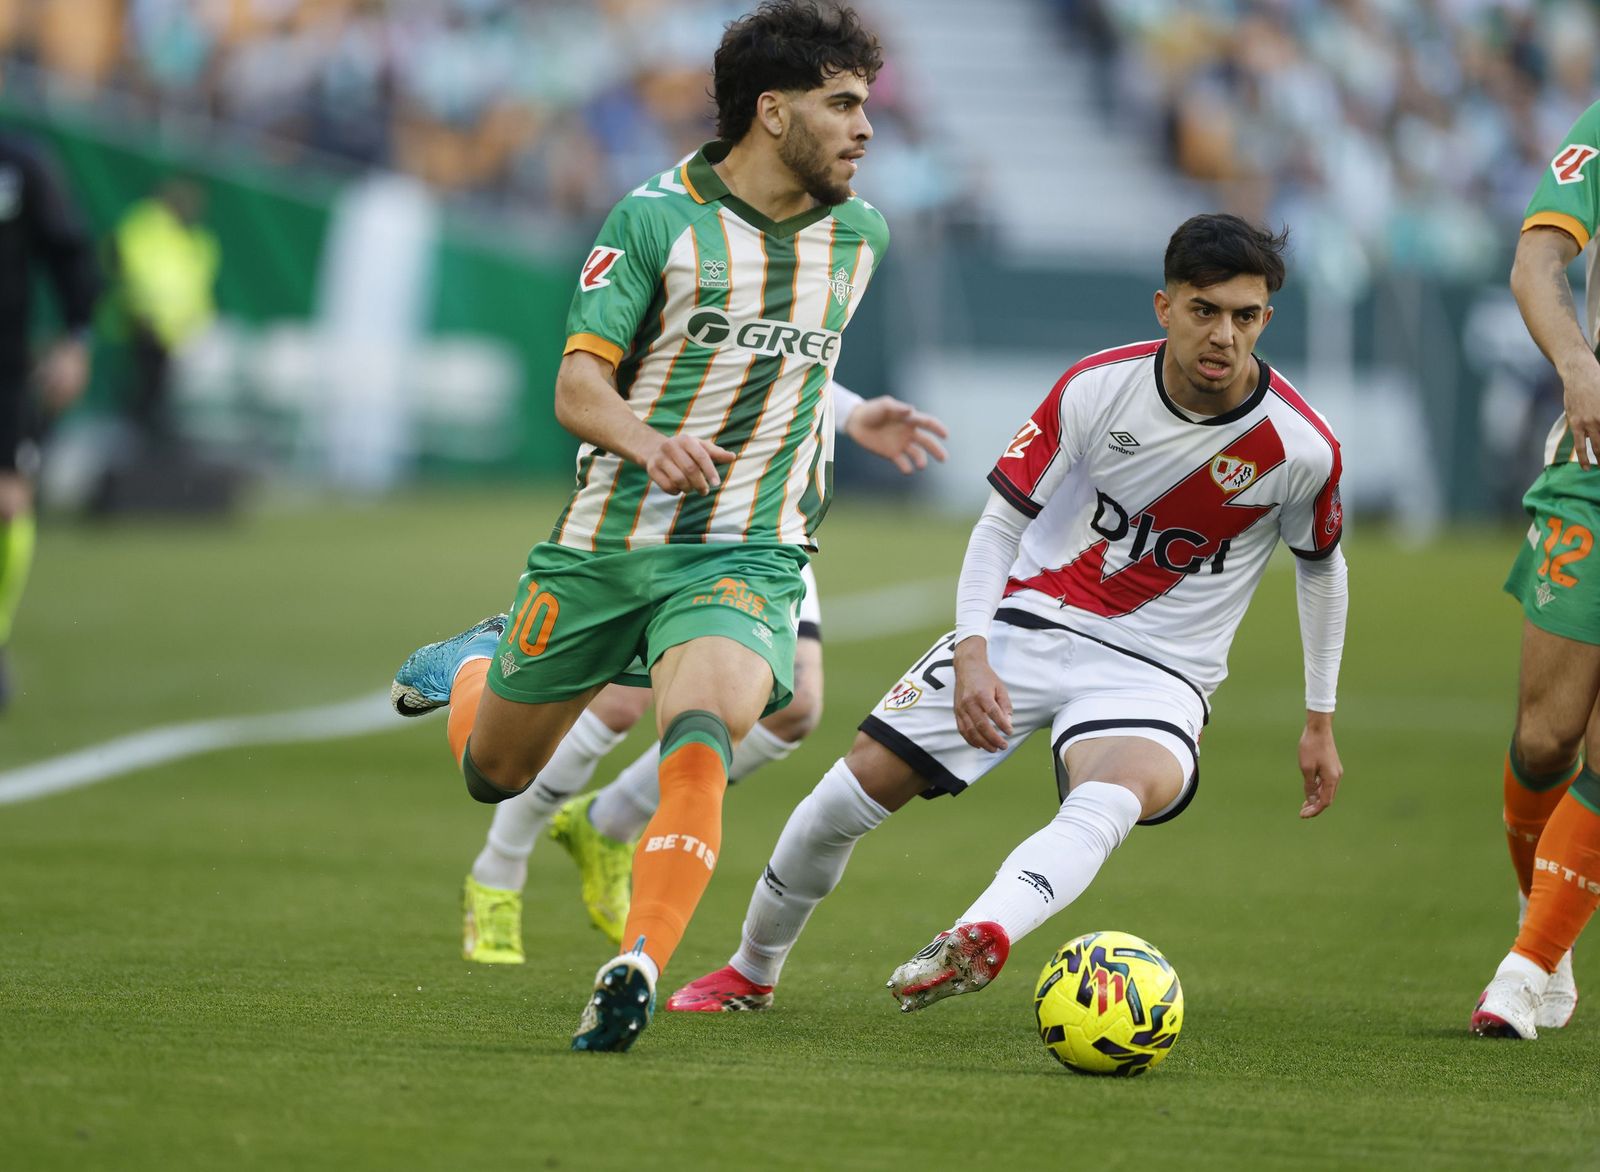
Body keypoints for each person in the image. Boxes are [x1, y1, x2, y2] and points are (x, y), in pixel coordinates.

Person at [666, 214, 1349, 1016]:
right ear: (1164, 307)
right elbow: (999, 527)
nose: (1224, 335)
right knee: (842, 800)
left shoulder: (1302, 448)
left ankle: (982, 933)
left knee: (1121, 787)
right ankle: (751, 970)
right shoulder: (1096, 388)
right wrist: (974, 653)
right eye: (1205, 310)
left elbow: (1322, 572)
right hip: (1030, 624)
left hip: (1161, 668)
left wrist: (1320, 718)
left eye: (1245, 315)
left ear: (1266, 318)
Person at [388, 1, 887, 1051]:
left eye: (866, 105)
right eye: (842, 104)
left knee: (706, 732)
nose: (864, 128)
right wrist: (646, 440)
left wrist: (851, 413)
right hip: (608, 542)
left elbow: (795, 365)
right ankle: (479, 656)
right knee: (495, 770)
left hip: (746, 551)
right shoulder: (652, 221)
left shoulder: (860, 236)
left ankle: (638, 964)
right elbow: (577, 389)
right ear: (771, 110)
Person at [460, 378, 947, 963]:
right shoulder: (682, 285)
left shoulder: (827, 283)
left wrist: (852, 411)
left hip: (768, 522)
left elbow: (798, 352)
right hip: (666, 504)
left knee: (791, 708)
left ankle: (609, 819)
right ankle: (500, 866)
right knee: (614, 703)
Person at [1471, 98, 1600, 1040]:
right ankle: (1542, 928)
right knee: (1547, 737)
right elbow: (1536, 261)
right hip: (1593, 464)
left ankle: (1524, 968)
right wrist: (1578, 361)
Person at [0, 125, 99, 709]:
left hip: (4, 369)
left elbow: (69, 253)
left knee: (9, 505)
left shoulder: (22, 163)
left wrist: (75, 340)